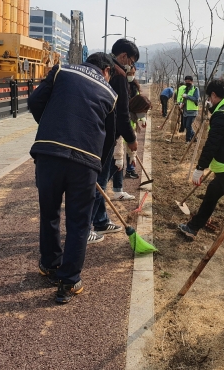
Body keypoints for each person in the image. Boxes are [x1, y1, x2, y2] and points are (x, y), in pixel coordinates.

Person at [29, 52, 117, 304]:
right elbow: (110, 137)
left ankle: (49, 265)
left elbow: (35, 101)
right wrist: (96, 163)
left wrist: (50, 126)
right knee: (79, 222)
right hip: (85, 161)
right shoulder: (109, 93)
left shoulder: (61, 71)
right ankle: (68, 282)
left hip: (49, 152)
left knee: (49, 212)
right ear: (107, 70)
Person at [178, 79, 224, 241]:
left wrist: (199, 168)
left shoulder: (221, 114)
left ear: (214, 95)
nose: (208, 102)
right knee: (211, 195)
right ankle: (192, 227)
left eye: (209, 98)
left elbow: (212, 144)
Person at [88, 39, 139, 241]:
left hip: (101, 134)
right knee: (98, 182)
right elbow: (122, 113)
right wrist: (131, 139)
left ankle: (100, 221)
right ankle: (85, 229)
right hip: (105, 136)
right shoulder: (116, 75)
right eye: (131, 60)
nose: (131, 66)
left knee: (101, 181)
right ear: (124, 56)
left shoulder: (110, 70)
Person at [110, 94, 152, 200]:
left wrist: (132, 155)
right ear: (137, 107)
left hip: (116, 147)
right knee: (110, 169)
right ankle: (94, 192)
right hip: (111, 146)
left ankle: (118, 192)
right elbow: (118, 137)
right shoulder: (126, 116)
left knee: (119, 167)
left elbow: (132, 137)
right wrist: (118, 156)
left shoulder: (133, 117)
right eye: (144, 110)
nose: (144, 113)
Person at [176, 75, 199, 143]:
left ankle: (188, 140)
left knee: (188, 126)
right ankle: (194, 137)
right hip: (185, 111)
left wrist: (187, 96)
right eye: (186, 81)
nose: (187, 82)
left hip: (192, 111)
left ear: (192, 81)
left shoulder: (195, 89)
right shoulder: (185, 89)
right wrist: (181, 103)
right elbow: (183, 98)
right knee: (186, 126)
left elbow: (196, 99)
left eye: (188, 81)